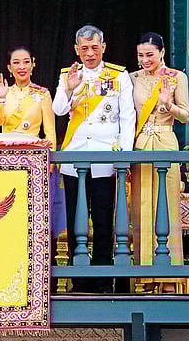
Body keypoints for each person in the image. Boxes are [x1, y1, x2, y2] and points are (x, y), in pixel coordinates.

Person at [52, 25, 136, 293]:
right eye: (84, 48)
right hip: (74, 157)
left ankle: (102, 280)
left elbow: (127, 116)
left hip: (105, 159)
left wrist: (124, 154)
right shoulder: (69, 75)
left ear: (103, 47)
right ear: (77, 49)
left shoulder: (118, 75)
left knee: (102, 220)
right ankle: (80, 281)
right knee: (76, 222)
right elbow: (58, 109)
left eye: (94, 48)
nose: (90, 53)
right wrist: (69, 88)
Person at [130, 32, 189, 274]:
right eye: (141, 55)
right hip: (141, 143)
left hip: (165, 141)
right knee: (141, 206)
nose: (145, 60)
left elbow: (185, 116)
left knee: (167, 205)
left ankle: (169, 275)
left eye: (150, 55)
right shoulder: (132, 78)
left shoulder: (177, 78)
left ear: (162, 52)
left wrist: (168, 104)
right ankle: (141, 274)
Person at [0, 46, 56, 150]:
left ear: (32, 65)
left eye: (26, 62)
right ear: (9, 67)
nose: (22, 67)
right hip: (7, 154)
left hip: (33, 155)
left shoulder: (42, 94)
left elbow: (50, 131)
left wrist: (51, 162)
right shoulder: (4, 92)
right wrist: (1, 97)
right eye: (16, 63)